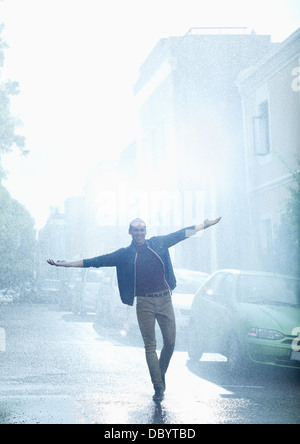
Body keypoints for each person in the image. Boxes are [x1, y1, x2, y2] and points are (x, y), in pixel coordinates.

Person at [47, 217, 221, 402]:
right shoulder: (125, 254)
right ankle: (158, 386)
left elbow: (182, 234)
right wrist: (65, 264)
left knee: (170, 342)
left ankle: (159, 373)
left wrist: (205, 225)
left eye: (142, 229)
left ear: (146, 231)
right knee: (150, 345)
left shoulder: (159, 243)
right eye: (135, 230)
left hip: (164, 300)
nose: (139, 233)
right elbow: (96, 261)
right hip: (144, 304)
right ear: (130, 232)